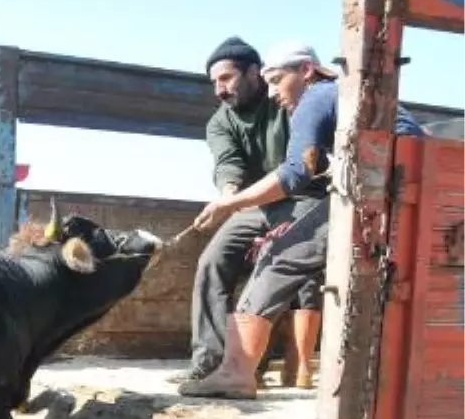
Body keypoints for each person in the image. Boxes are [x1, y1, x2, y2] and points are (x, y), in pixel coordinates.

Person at [180, 42, 425, 400]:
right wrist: (231, 198)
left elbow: (296, 172)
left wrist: (229, 203)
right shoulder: (342, 95)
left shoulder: (316, 97)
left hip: (378, 191)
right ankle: (220, 363)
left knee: (278, 258)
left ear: (306, 71)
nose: (275, 93)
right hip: (401, 187)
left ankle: (236, 373)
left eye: (278, 81)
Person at [171, 37, 295, 386]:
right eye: (214, 83)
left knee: (270, 265)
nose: (219, 90)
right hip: (253, 204)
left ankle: (251, 360)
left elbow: (303, 165)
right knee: (213, 261)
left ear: (254, 72)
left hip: (303, 200)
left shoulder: (285, 101)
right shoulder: (219, 122)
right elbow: (229, 165)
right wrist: (228, 199)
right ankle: (208, 360)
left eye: (226, 79)